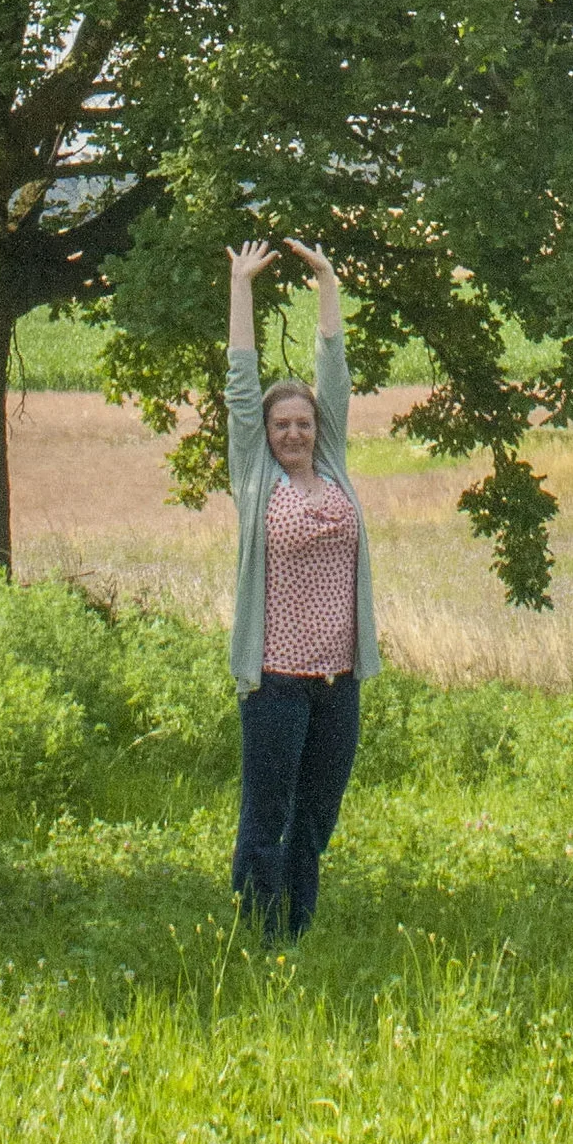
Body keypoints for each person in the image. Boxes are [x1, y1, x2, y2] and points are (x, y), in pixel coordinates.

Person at [224, 235, 379, 941]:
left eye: (303, 423)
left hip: (336, 681)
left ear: (319, 429)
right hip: (277, 681)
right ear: (269, 433)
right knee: (268, 817)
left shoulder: (336, 466)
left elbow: (335, 374)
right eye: (282, 425)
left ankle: (298, 929)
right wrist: (241, 286)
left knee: (316, 816)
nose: (292, 432)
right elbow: (240, 384)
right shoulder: (257, 480)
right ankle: (257, 934)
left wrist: (327, 280)